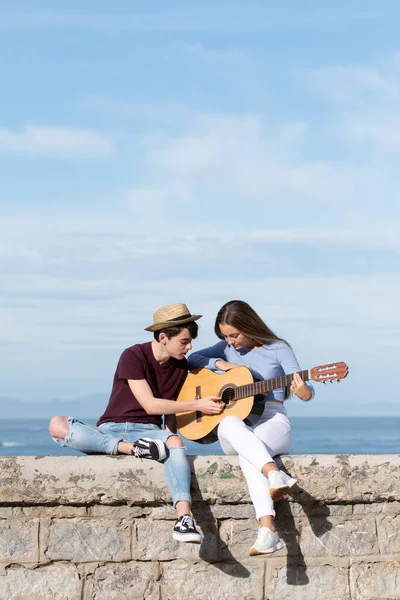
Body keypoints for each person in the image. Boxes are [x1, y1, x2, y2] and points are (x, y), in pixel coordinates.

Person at [48, 303, 223, 543]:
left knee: (173, 442)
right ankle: (131, 449)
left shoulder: (181, 365)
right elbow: (151, 405)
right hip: (111, 429)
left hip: (149, 432)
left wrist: (172, 438)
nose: (189, 346)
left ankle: (184, 518)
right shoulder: (133, 355)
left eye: (191, 340)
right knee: (57, 425)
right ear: (163, 337)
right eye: (184, 341)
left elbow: (171, 406)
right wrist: (198, 405)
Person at [188, 300, 314, 556]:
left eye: (234, 335)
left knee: (250, 456)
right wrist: (224, 365)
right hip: (235, 425)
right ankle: (274, 473)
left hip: (271, 418)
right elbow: (193, 358)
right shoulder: (226, 348)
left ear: (249, 325)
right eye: (225, 336)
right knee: (229, 423)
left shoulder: (278, 349)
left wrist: (303, 391)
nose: (230, 341)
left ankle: (267, 531)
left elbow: (305, 391)